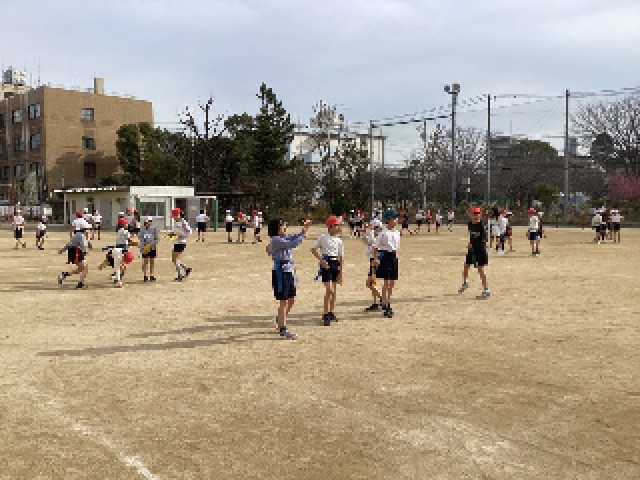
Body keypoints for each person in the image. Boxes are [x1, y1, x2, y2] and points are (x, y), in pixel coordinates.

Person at [267, 217, 312, 339]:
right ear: (276, 228)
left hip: (288, 271)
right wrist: (303, 235)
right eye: (282, 225)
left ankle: (279, 319)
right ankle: (283, 328)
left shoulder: (282, 237)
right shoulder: (276, 239)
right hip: (280, 273)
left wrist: (304, 229)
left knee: (291, 299)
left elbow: (293, 237)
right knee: (283, 301)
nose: (285, 227)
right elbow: (292, 243)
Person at [311, 215, 344, 326]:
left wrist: (340, 273)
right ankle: (325, 313)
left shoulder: (339, 240)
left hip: (335, 264)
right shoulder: (323, 237)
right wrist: (321, 260)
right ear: (330, 226)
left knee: (333, 291)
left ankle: (331, 312)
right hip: (326, 264)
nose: (338, 227)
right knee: (329, 290)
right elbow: (313, 249)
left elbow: (341, 257)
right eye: (336, 225)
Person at [372, 209, 401, 318]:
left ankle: (387, 300)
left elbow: (396, 247)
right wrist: (376, 258)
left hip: (393, 257)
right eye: (394, 218)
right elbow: (375, 247)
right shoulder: (383, 233)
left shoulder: (397, 232)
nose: (396, 220)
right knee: (387, 282)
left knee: (392, 283)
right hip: (385, 257)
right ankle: (385, 304)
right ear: (388, 220)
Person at [458, 206, 490, 299]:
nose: (476, 215)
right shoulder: (470, 224)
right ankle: (465, 283)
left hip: (480, 250)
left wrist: (474, 244)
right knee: (466, 265)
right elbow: (472, 236)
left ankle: (486, 289)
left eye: (477, 213)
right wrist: (470, 243)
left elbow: (484, 239)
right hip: (472, 249)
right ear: (471, 215)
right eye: (474, 214)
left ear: (480, 215)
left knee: (480, 269)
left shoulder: (482, 226)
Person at [364, 218, 382, 311]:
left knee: (369, 283)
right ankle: (375, 303)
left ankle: (383, 299)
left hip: (374, 260)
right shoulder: (377, 235)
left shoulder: (376, 236)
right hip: (374, 259)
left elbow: (370, 243)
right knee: (373, 282)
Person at [170, 207, 192, 281]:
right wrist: (172, 234)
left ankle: (179, 275)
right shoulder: (177, 222)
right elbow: (176, 231)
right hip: (176, 242)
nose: (173, 217)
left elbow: (189, 231)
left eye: (174, 215)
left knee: (175, 259)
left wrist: (180, 235)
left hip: (181, 242)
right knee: (174, 259)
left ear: (178, 215)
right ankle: (186, 268)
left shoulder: (183, 222)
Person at [139, 216, 158, 282]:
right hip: (145, 247)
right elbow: (141, 239)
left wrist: (153, 243)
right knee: (145, 262)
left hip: (152, 247)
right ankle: (145, 275)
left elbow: (157, 239)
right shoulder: (142, 229)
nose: (148, 223)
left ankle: (151, 275)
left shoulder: (154, 229)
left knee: (152, 262)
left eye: (150, 221)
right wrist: (142, 248)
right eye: (147, 221)